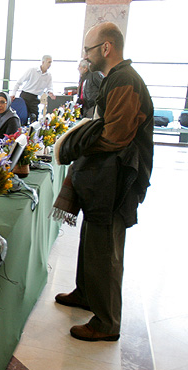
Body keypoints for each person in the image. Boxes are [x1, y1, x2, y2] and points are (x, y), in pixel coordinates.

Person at [53, 22, 154, 342]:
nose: (85, 55)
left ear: (106, 48)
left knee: (106, 249)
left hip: (117, 179)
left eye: (88, 49)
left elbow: (114, 136)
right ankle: (86, 293)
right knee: (92, 240)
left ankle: (107, 321)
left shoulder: (125, 79)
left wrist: (77, 141)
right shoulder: (115, 78)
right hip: (104, 178)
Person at [10, 55, 56, 124]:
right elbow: (19, 82)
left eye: (51, 62)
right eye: (49, 62)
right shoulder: (32, 70)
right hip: (25, 96)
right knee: (22, 118)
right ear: (43, 62)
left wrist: (50, 92)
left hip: (35, 98)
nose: (50, 64)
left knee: (34, 119)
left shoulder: (48, 75)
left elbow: (49, 87)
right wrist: (13, 94)